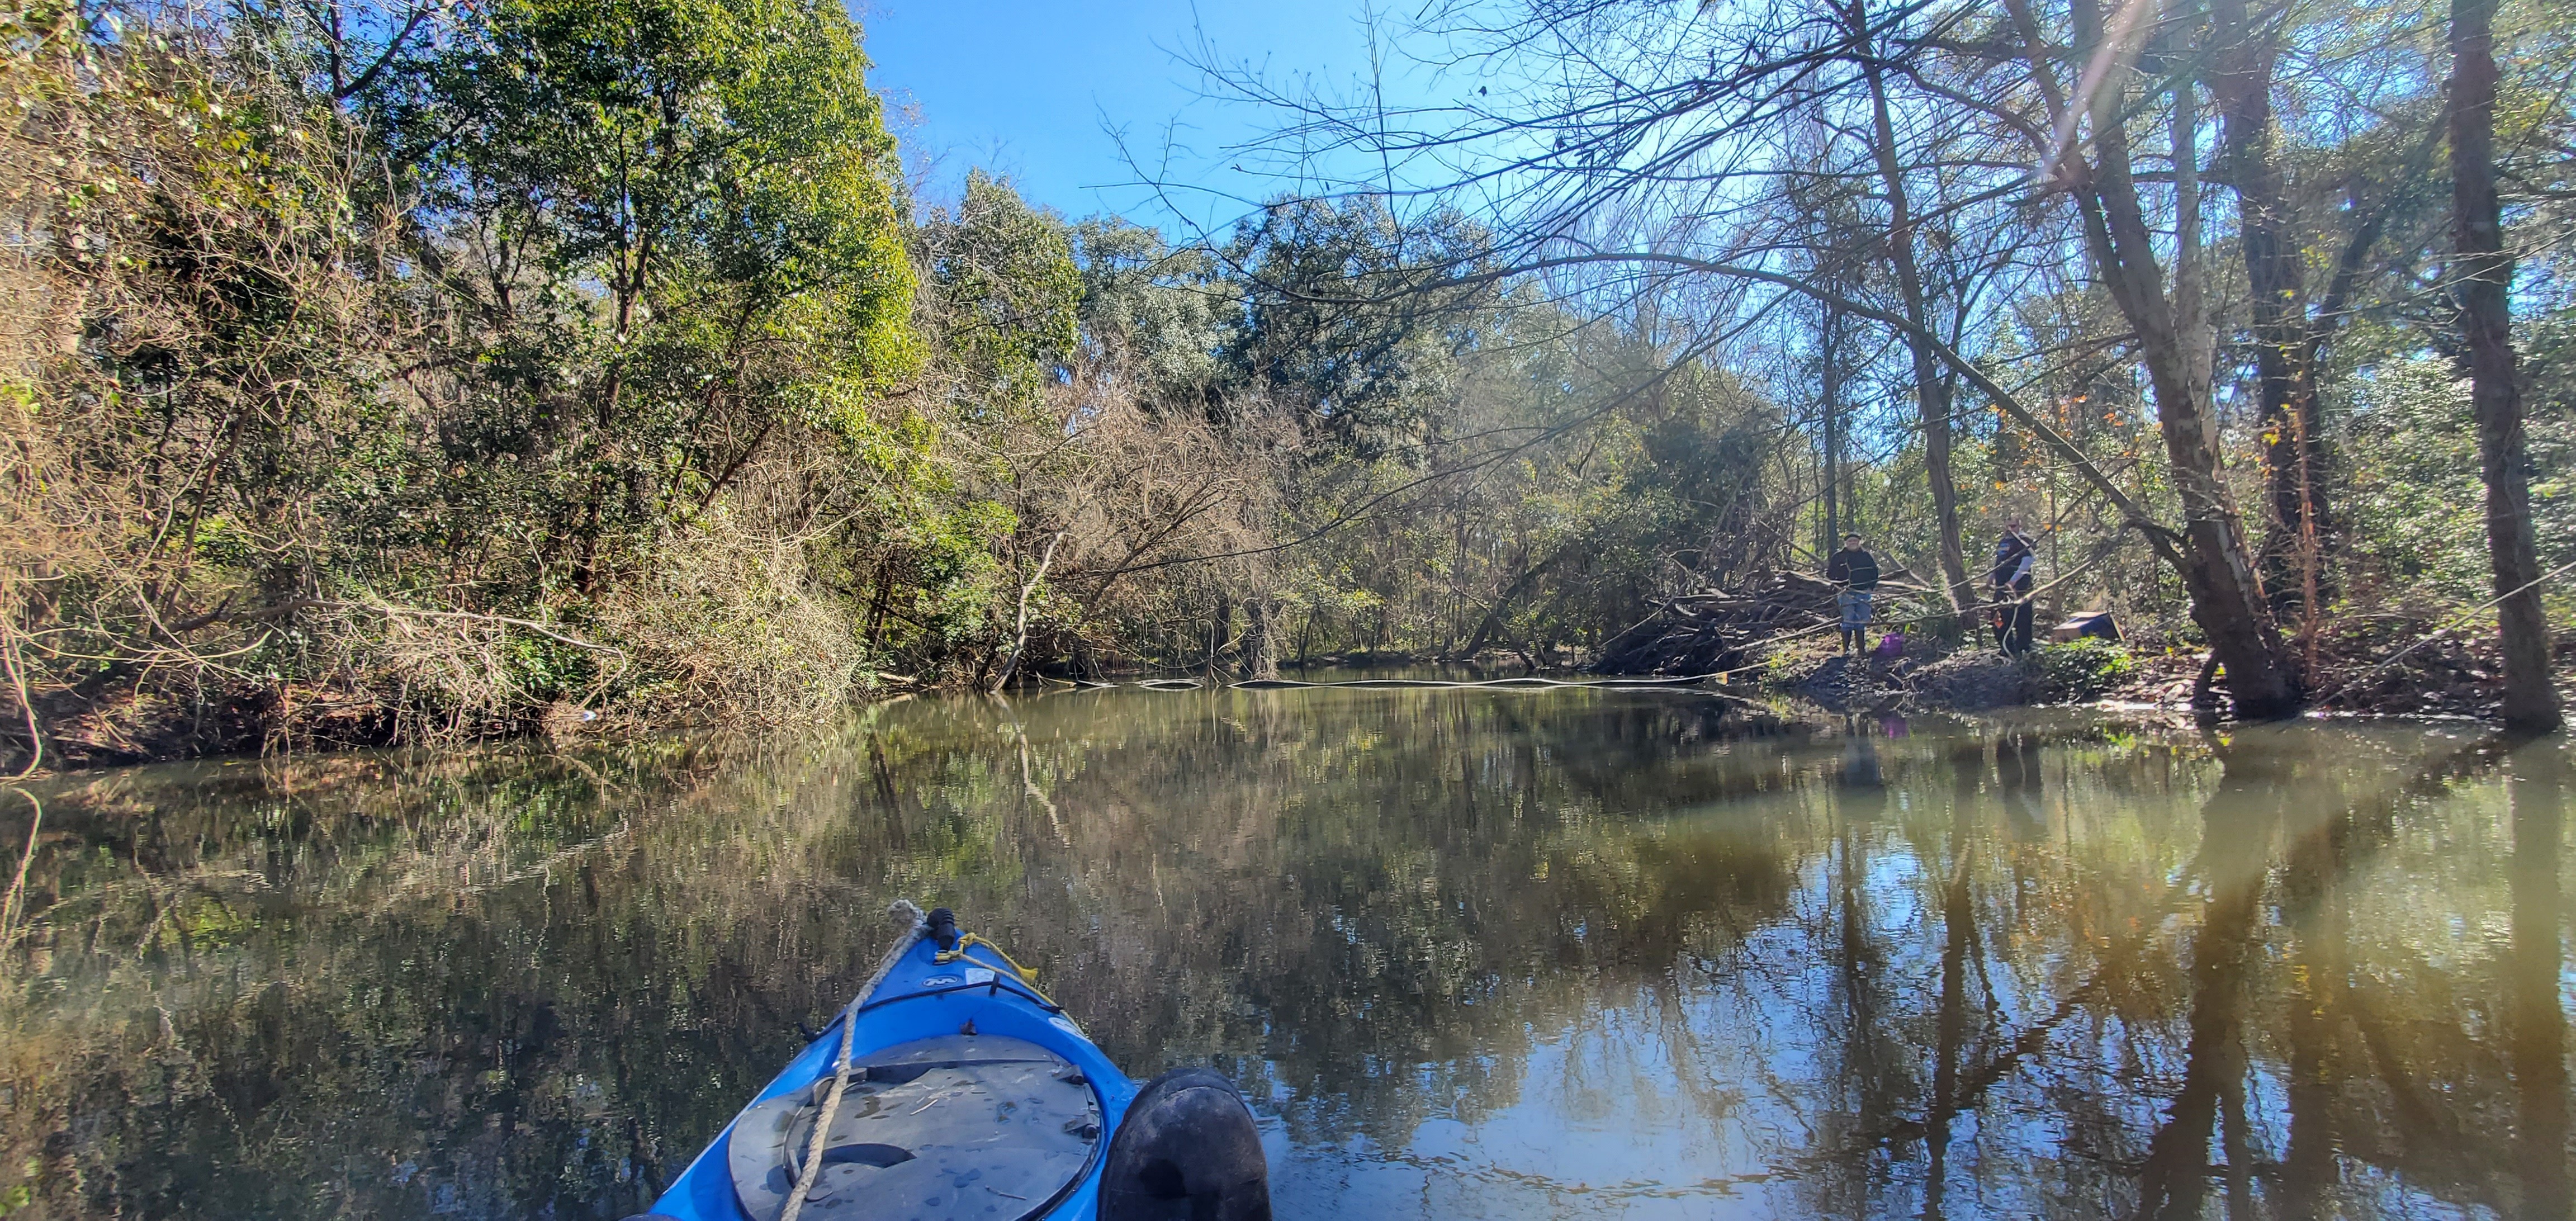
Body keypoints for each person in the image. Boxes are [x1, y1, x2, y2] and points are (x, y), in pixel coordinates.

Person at [1825, 532, 1879, 654]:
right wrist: (1839, 587)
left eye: (1855, 541)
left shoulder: (1866, 556)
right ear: (1846, 543)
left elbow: (1874, 572)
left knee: (1861, 621)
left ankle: (1861, 649)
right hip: (1846, 593)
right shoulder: (1839, 557)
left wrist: (1871, 587)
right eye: (1850, 541)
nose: (1853, 543)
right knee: (1848, 621)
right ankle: (1846, 650)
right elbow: (1830, 574)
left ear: (1860, 542)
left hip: (1864, 592)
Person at [1991, 519, 2038, 655]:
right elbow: (1999, 562)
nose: (2011, 529)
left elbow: (2027, 562)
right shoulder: (2004, 541)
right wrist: (1991, 578)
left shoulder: (2026, 541)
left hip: (2020, 588)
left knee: (2022, 618)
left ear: (2020, 525)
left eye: (2014, 526)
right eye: (2008, 526)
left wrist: (2013, 581)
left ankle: (2023, 648)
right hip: (2001, 588)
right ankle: (2006, 648)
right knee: (1997, 618)